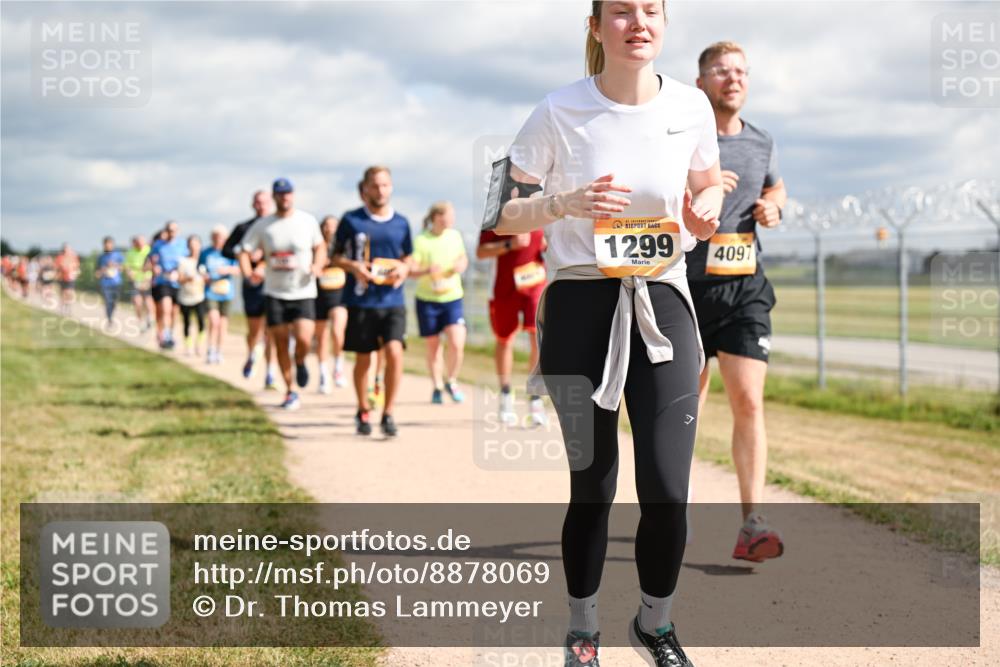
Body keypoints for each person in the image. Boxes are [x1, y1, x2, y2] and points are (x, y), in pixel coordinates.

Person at [494, 2, 723, 665]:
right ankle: (583, 628)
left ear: (665, 23)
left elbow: (707, 186)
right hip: (579, 304)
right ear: (597, 28)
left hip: (663, 300)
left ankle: (655, 624)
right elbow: (501, 214)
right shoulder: (558, 109)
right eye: (621, 11)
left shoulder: (690, 106)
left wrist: (706, 205)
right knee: (591, 483)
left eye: (651, 9)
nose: (638, 22)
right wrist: (563, 203)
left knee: (667, 485)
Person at [691, 41, 787, 563]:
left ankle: (752, 523)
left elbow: (776, 188)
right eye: (722, 71)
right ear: (701, 81)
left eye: (741, 71)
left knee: (749, 400)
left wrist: (772, 206)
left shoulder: (761, 141)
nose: (734, 78)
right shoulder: (683, 139)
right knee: (687, 407)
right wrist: (696, 196)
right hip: (685, 287)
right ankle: (670, 513)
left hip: (745, 286)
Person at [332, 166, 413, 437]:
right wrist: (354, 267)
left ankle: (388, 413)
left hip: (392, 300)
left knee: (394, 352)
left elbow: (409, 256)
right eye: (375, 186)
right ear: (365, 189)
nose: (380, 191)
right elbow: (335, 257)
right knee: (364, 360)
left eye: (385, 185)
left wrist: (404, 268)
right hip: (361, 302)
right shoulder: (351, 220)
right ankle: (363, 408)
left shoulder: (401, 222)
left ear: (391, 187)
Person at [239, 178, 325, 411]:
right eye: (280, 193)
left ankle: (301, 360)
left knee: (305, 339)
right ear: (274, 196)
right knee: (280, 342)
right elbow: (243, 251)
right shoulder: (264, 224)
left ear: (293, 195)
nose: (284, 197)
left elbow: (321, 247)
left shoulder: (307, 221)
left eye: (288, 193)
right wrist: (249, 274)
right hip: (275, 292)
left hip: (303, 290)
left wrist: (318, 266)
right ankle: (290, 390)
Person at [477, 224, 547, 426]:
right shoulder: (498, 213)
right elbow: (481, 252)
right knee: (505, 339)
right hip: (504, 287)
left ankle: (535, 400)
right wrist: (509, 244)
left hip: (535, 284)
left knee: (538, 338)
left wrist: (548, 246)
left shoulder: (543, 211)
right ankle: (506, 396)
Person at [410, 201, 468, 403]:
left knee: (456, 342)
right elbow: (412, 270)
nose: (451, 220)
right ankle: (437, 386)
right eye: (447, 216)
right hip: (427, 299)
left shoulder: (455, 236)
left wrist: (461, 265)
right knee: (433, 347)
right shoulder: (421, 240)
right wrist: (427, 271)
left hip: (452, 298)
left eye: (452, 216)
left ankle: (451, 380)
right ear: (436, 217)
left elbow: (463, 258)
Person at [224, 191, 279, 388]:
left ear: (270, 203)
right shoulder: (244, 227)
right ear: (252, 205)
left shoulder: (277, 226)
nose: (261, 205)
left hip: (274, 282)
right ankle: (252, 353)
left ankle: (270, 372)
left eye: (264, 202)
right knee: (254, 329)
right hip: (252, 283)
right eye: (257, 202)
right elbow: (227, 249)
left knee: (272, 330)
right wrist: (246, 254)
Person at [313, 215, 349, 394]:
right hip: (319, 297)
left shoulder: (344, 248)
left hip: (339, 297)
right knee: (321, 338)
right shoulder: (315, 248)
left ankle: (338, 366)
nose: (330, 229)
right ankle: (323, 374)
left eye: (334, 226)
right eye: (327, 225)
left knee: (337, 331)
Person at [200, 225, 241, 364]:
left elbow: (240, 269)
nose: (218, 239)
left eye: (221, 237)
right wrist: (204, 276)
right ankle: (210, 349)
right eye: (216, 236)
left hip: (226, 292)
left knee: (223, 324)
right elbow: (199, 269)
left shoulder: (229, 253)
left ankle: (219, 351)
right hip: (210, 291)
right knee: (214, 321)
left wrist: (228, 269)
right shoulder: (206, 253)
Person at [146, 221, 183, 349]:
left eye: (174, 230)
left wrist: (180, 272)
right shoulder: (158, 245)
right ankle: (165, 336)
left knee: (174, 311)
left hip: (177, 282)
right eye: (169, 230)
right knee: (165, 308)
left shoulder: (182, 245)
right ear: (166, 231)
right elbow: (150, 260)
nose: (172, 233)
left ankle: (171, 333)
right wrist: (154, 267)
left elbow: (188, 261)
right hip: (162, 281)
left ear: (178, 231)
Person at [176, 234, 207, 357]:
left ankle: (198, 346)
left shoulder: (204, 261)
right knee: (187, 322)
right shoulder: (183, 261)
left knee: (201, 322)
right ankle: (188, 347)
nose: (194, 247)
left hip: (200, 296)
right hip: (185, 297)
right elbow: (179, 279)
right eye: (191, 245)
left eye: (196, 244)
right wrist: (189, 278)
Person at [124, 235, 154, 332]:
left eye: (142, 242)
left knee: (148, 300)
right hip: (135, 281)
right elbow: (126, 266)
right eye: (138, 243)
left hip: (147, 280)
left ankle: (150, 318)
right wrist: (129, 273)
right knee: (137, 302)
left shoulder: (149, 250)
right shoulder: (130, 252)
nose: (141, 245)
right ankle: (141, 322)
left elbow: (153, 265)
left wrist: (146, 271)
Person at [95, 236, 125, 326]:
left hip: (117, 282)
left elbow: (123, 268)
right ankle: (109, 319)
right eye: (106, 244)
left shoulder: (118, 255)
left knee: (114, 302)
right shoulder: (100, 257)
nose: (108, 246)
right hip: (105, 283)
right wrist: (103, 269)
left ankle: (111, 316)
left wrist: (115, 265)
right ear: (103, 245)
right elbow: (97, 273)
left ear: (113, 244)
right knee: (108, 301)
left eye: (110, 244)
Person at [54, 243, 80, 315]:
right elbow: (56, 266)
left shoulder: (73, 257)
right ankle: (63, 308)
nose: (66, 250)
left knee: (70, 292)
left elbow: (77, 267)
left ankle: (68, 308)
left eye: (68, 249)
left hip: (70, 278)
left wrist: (76, 273)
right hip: (62, 278)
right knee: (63, 293)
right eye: (65, 249)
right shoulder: (60, 257)